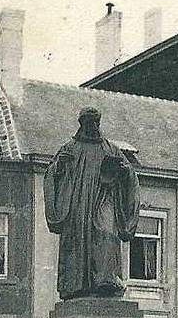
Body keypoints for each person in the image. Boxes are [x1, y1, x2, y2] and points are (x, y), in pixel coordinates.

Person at [44, 107, 140, 300]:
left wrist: (124, 171)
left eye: (96, 122)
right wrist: (59, 167)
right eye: (89, 123)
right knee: (77, 241)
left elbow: (130, 175)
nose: (93, 126)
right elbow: (51, 175)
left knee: (106, 232)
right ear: (82, 124)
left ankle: (107, 281)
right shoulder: (69, 148)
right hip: (78, 206)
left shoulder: (111, 149)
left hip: (104, 200)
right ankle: (76, 285)